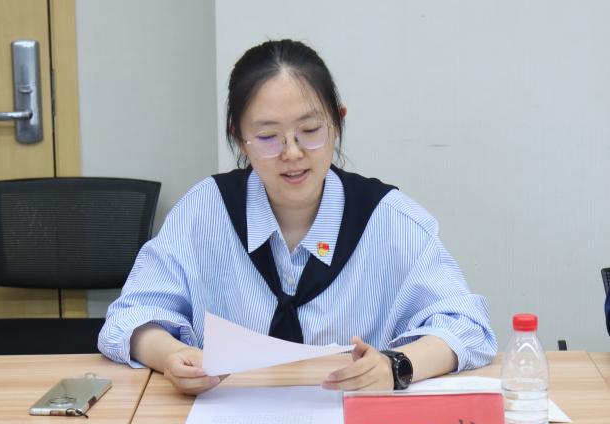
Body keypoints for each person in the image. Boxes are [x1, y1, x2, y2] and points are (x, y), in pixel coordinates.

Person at [98, 39, 497, 395]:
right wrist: (172, 356)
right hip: (227, 423)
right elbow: (130, 317)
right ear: (238, 137)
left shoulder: (389, 220)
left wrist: (396, 366)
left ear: (337, 122)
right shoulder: (204, 211)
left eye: (309, 130)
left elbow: (469, 328)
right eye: (268, 137)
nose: (292, 153)